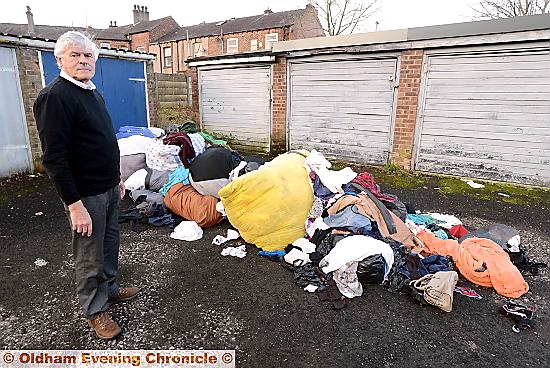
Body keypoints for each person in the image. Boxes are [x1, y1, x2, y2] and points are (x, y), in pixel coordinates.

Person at [33, 31, 139, 340]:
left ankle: (109, 290)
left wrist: (116, 178)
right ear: (59, 60)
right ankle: (95, 310)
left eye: (88, 55)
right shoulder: (55, 97)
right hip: (84, 194)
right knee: (89, 254)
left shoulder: (92, 92)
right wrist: (74, 204)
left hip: (106, 186)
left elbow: (103, 140)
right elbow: (54, 157)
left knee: (109, 244)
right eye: (75, 55)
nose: (83, 60)